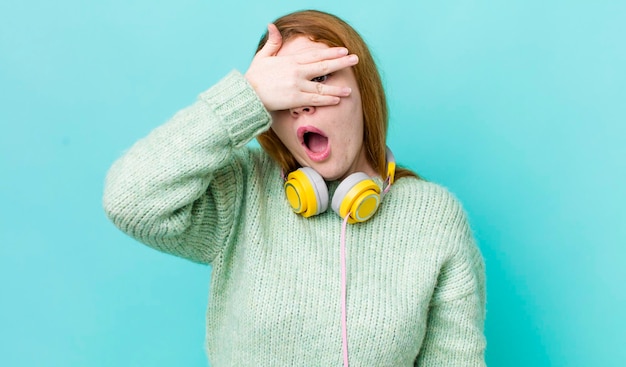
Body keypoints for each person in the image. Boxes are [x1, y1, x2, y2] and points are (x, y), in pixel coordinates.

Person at [103, 9, 486, 367]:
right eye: (284, 90)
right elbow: (130, 201)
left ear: (363, 91)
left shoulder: (433, 217)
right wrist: (245, 95)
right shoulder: (241, 191)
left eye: (318, 79)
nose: (301, 104)